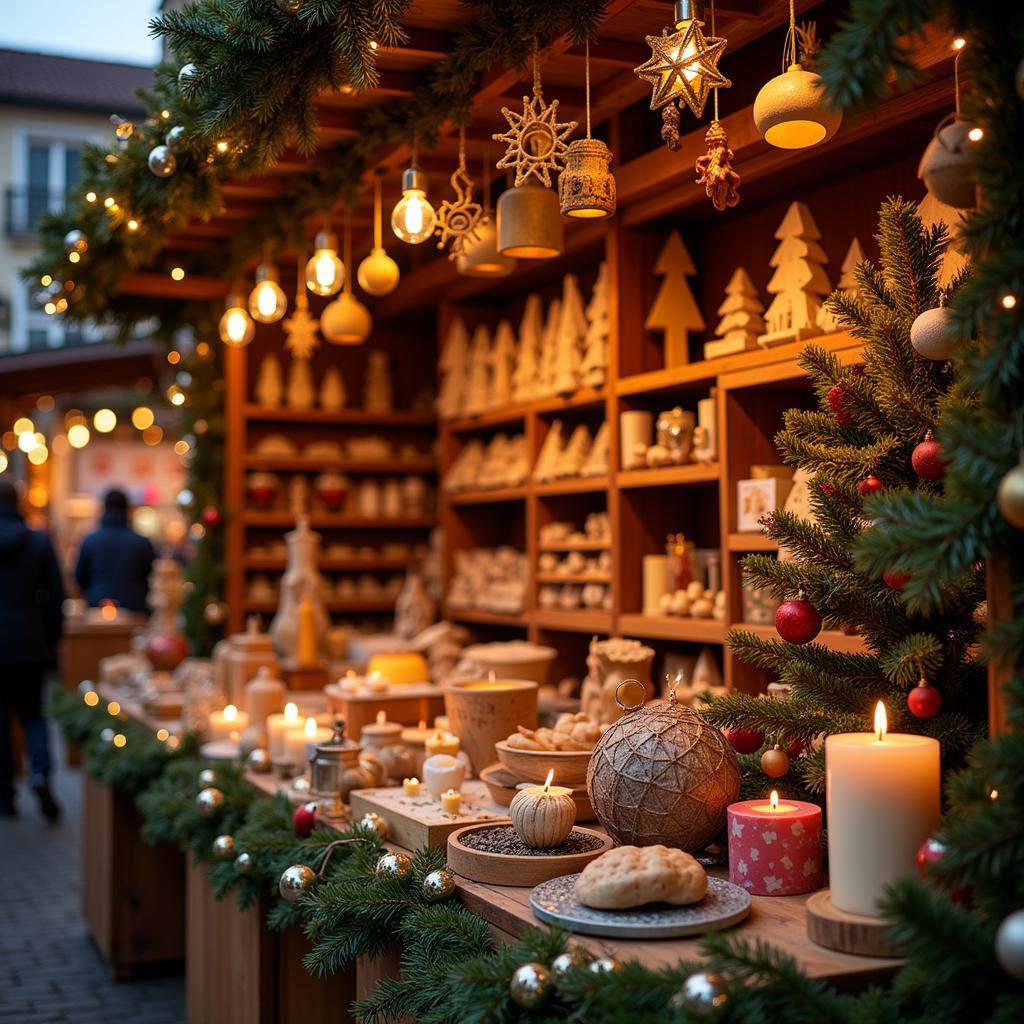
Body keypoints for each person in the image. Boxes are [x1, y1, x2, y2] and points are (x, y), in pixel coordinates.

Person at [0, 479, 65, 819]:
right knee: (33, 715)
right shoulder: (39, 542)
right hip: (29, 641)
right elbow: (57, 596)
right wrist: (50, 637)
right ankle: (41, 775)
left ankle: (5, 795)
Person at [75, 488, 155, 614]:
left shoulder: (90, 541)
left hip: (96, 608)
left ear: (103, 509)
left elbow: (79, 577)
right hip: (134, 610)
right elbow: (152, 578)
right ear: (127, 510)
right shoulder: (142, 543)